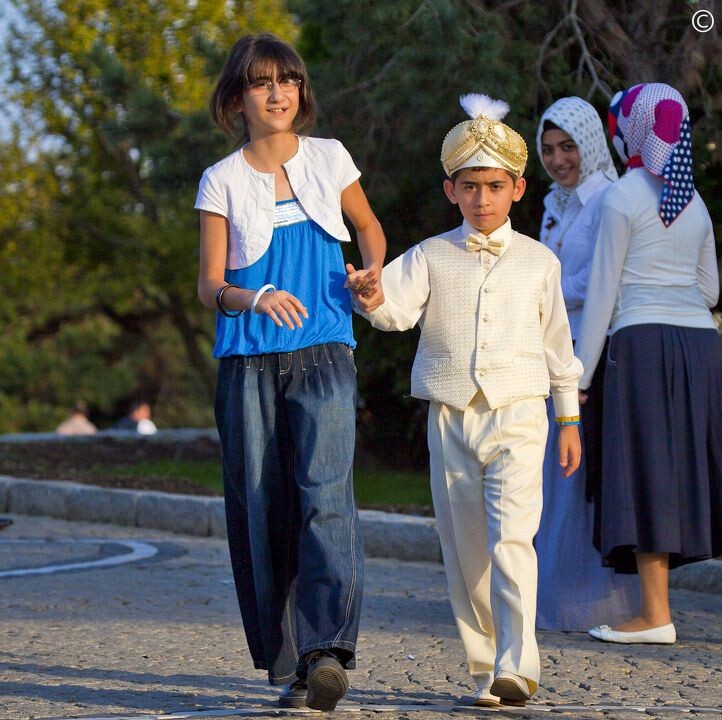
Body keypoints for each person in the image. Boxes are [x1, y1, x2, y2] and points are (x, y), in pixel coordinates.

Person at [350, 94, 583, 708]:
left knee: (513, 539)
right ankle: (484, 667)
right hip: (451, 415)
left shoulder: (540, 262)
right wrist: (370, 293)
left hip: (521, 412)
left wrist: (568, 419)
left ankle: (517, 663)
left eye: (495, 186)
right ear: (450, 190)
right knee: (466, 548)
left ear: (517, 189)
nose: (483, 199)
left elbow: (560, 347)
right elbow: (394, 312)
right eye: (470, 187)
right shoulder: (431, 255)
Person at [194, 34, 386, 711]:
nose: (278, 92)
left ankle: (326, 649)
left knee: (325, 496)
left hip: (326, 351)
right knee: (261, 506)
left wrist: (369, 277)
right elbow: (208, 285)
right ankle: (291, 661)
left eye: (289, 80)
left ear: (300, 92)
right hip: (247, 360)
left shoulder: (330, 158)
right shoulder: (221, 179)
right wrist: (254, 297)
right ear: (237, 98)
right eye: (261, 82)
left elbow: (369, 228)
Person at [576, 83, 722, 645]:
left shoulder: (622, 196)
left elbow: (604, 295)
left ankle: (656, 615)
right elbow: (708, 288)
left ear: (633, 129)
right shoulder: (695, 200)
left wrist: (579, 377)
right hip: (699, 346)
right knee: (717, 466)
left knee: (647, 468)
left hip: (640, 345)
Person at [533, 97, 640, 632]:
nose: (558, 159)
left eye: (568, 147)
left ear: (590, 144)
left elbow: (604, 280)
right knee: (553, 477)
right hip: (551, 349)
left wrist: (542, 288)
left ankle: (594, 602)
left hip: (587, 353)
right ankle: (549, 595)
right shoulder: (556, 202)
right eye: (548, 149)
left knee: (582, 476)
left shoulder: (606, 200)